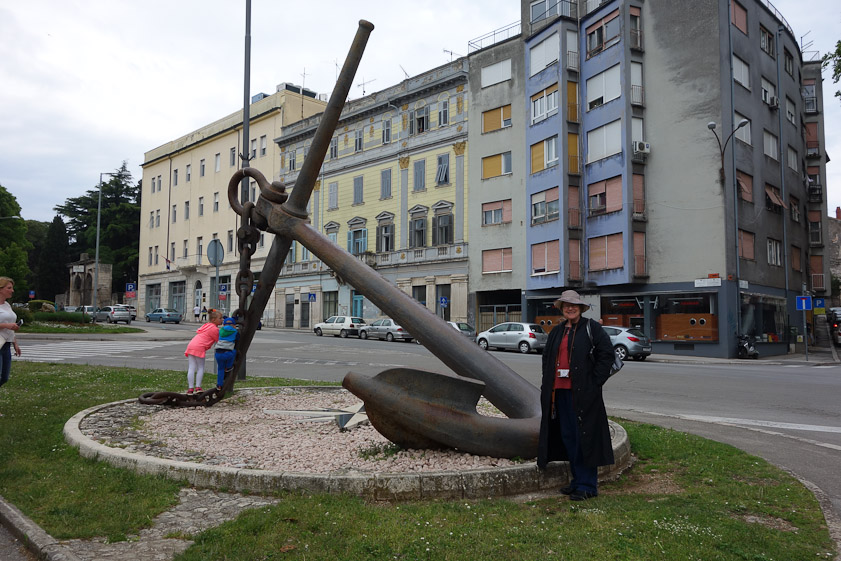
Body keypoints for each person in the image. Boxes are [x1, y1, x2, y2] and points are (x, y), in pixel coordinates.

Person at [537, 290, 615, 501]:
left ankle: (587, 485)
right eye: (566, 305)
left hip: (582, 395)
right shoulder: (557, 331)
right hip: (560, 393)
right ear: (561, 309)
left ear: (580, 308)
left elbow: (607, 355)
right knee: (569, 437)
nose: (570, 308)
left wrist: (594, 382)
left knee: (583, 438)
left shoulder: (592, 328)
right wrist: (548, 383)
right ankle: (577, 480)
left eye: (573, 305)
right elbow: (547, 359)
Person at [184, 309, 223, 394]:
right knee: (200, 367)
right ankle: (198, 387)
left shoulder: (206, 325)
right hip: (199, 347)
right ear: (214, 320)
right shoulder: (214, 329)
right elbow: (219, 341)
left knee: (191, 367)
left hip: (191, 345)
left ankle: (190, 388)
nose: (222, 320)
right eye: (220, 318)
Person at [0, 277, 22, 414]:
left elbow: (11, 328)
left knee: (4, 377)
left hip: (6, 344)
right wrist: (6, 325)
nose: (12, 291)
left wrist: (15, 343)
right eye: (9, 288)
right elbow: (7, 325)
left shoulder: (7, 305)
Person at [214, 317, 239, 391]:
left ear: (224, 325)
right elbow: (238, 339)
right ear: (234, 325)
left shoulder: (220, 330)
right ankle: (228, 367)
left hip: (218, 352)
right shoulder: (235, 331)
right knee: (234, 352)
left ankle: (219, 385)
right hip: (228, 352)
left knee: (220, 369)